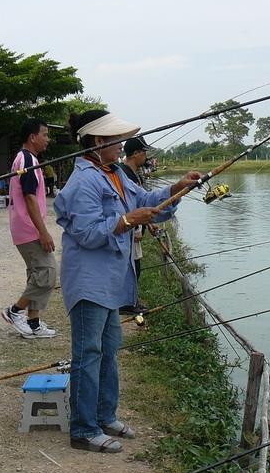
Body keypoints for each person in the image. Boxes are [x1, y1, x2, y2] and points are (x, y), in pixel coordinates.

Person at [54, 110, 200, 453]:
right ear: (99, 142)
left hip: (113, 280)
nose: (122, 145)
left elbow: (147, 203)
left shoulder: (115, 173)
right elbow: (88, 234)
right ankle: (83, 429)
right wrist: (125, 220)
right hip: (90, 281)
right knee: (88, 354)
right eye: (116, 140)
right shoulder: (83, 182)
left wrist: (178, 188)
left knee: (108, 350)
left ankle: (105, 415)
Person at [1, 119, 58, 339]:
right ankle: (15, 311)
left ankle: (33, 322)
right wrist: (43, 232)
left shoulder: (27, 158)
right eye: (44, 134)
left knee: (36, 273)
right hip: (28, 227)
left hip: (25, 226)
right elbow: (30, 197)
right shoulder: (26, 159)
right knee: (47, 274)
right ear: (32, 137)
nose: (47, 139)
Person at [119, 136, 151, 312]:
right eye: (144, 152)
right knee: (131, 267)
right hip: (131, 227)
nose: (145, 156)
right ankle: (127, 303)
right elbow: (127, 204)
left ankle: (131, 300)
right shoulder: (124, 173)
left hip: (136, 226)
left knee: (135, 265)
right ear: (136, 153)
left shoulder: (132, 173)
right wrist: (136, 227)